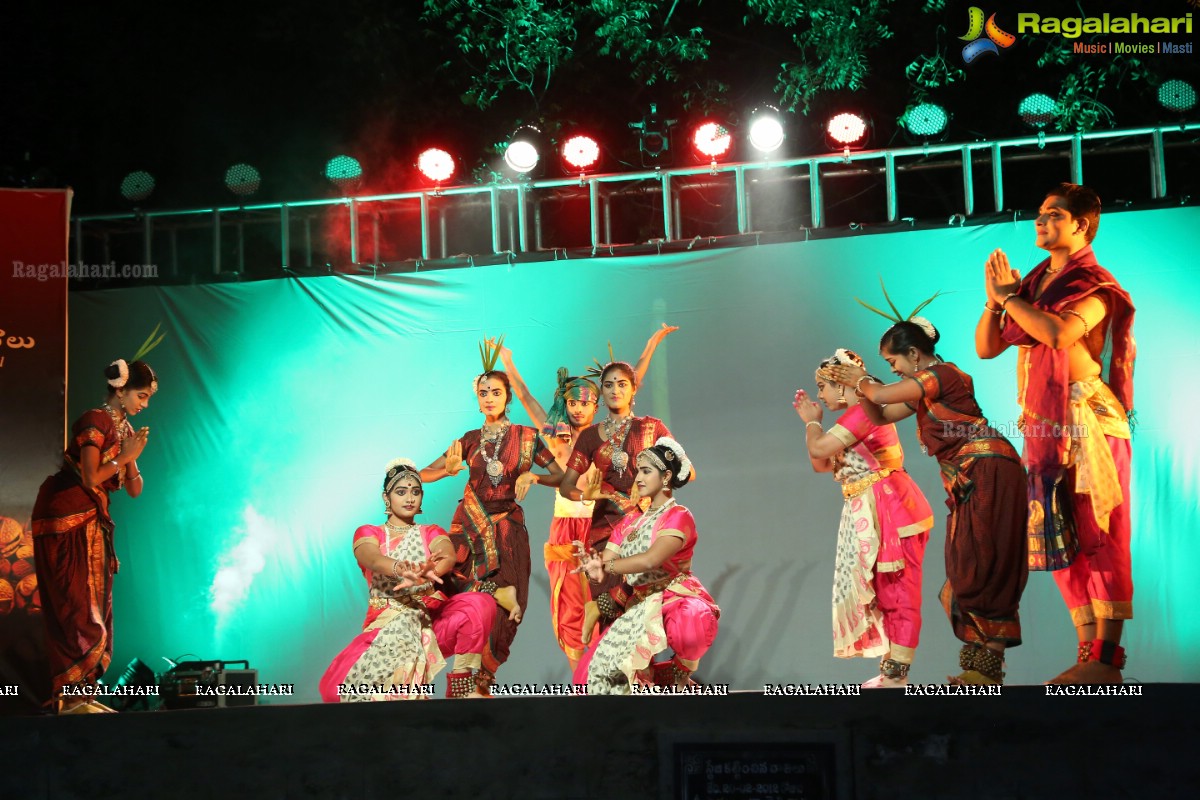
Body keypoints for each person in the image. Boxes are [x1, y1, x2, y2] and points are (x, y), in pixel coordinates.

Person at [975, 183, 1136, 684]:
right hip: (1045, 427)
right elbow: (986, 349)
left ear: (1081, 225)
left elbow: (1060, 335)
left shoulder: (1093, 282)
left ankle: (1106, 660)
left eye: (1053, 215)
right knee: (1059, 531)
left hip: (1088, 421)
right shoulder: (1037, 285)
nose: (1040, 222)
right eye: (1040, 214)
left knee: (1099, 530)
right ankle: (1087, 653)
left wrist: (1012, 299)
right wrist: (995, 303)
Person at [829, 318, 1028, 685]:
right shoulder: (923, 389)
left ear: (914, 354)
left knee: (986, 563)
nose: (892, 370)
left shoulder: (946, 375)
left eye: (894, 362)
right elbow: (883, 412)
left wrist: (860, 380)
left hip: (988, 469)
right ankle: (978, 667)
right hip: (968, 479)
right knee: (967, 566)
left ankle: (988, 668)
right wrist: (861, 389)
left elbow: (884, 395)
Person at [498, 324, 677, 671]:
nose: (579, 409)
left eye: (586, 403)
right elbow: (524, 396)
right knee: (572, 608)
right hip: (567, 530)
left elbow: (629, 378)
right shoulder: (559, 441)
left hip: (607, 525)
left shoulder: (602, 440)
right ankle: (582, 678)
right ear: (565, 405)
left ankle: (623, 670)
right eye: (573, 403)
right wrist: (507, 361)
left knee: (615, 597)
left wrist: (651, 344)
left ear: (597, 404)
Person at [420, 342, 565, 691]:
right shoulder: (469, 441)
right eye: (483, 393)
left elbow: (560, 475)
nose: (488, 398)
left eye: (495, 392)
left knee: (509, 610)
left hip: (508, 531)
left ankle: (484, 679)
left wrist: (535, 477)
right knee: (460, 598)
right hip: (470, 528)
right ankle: (455, 678)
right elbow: (423, 472)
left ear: (508, 396)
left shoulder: (527, 437)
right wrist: (449, 471)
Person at [793, 348, 934, 687]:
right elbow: (820, 464)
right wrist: (814, 425)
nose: (821, 396)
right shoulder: (851, 418)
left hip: (890, 505)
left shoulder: (862, 413)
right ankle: (891, 667)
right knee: (884, 592)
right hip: (867, 506)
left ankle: (897, 673)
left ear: (842, 386)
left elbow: (818, 450)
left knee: (898, 589)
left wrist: (812, 422)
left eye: (823, 387)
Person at [31, 357, 156, 714]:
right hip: (66, 519)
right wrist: (124, 457)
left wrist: (132, 457)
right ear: (121, 389)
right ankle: (69, 698)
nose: (143, 405)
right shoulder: (95, 420)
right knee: (75, 607)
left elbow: (134, 490)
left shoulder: (126, 431)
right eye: (141, 396)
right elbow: (89, 477)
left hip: (93, 521)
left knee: (96, 608)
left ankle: (83, 695)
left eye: (147, 399)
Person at [319, 460, 494, 701]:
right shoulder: (370, 532)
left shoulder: (431, 531)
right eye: (401, 492)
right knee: (335, 690)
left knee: (479, 603)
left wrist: (432, 568)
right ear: (386, 497)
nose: (409, 498)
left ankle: (461, 687)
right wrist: (398, 567)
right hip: (384, 627)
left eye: (415, 492)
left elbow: (446, 553)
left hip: (427, 627)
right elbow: (370, 556)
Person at [576, 438, 719, 694]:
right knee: (590, 679)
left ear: (665, 477)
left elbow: (651, 559)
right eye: (637, 471)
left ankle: (679, 674)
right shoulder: (629, 523)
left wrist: (607, 566)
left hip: (674, 596)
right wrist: (595, 567)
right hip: (639, 605)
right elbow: (607, 561)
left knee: (693, 621)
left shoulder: (679, 516)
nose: (638, 478)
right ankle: (647, 682)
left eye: (645, 471)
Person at [558, 357, 674, 643]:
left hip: (646, 523)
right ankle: (613, 681)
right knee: (613, 621)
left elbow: (686, 471)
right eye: (608, 385)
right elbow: (565, 486)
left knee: (646, 607)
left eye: (622, 384)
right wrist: (585, 495)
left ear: (634, 389)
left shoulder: (652, 428)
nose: (615, 390)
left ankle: (641, 680)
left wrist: (651, 484)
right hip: (606, 529)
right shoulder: (589, 436)